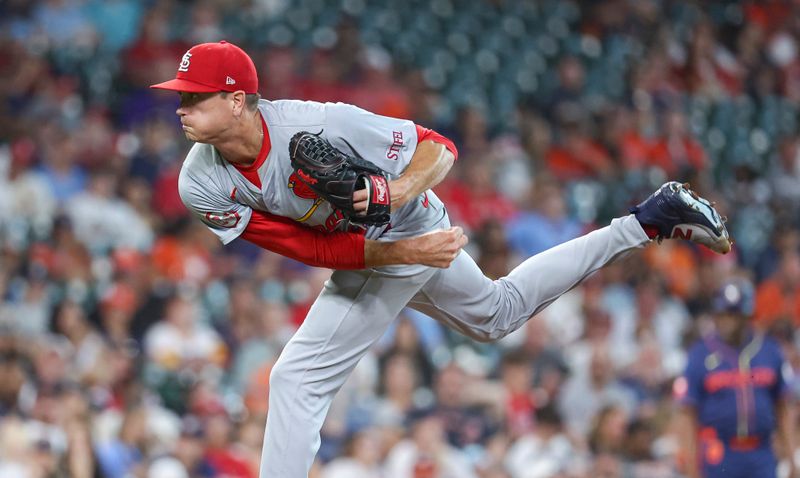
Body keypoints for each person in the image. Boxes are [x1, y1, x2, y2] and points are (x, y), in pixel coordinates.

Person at [150, 41, 732, 478]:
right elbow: (308, 249)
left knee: (296, 379)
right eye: (180, 98)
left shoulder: (319, 123)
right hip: (386, 245)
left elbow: (439, 147)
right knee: (497, 314)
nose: (181, 108)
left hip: (407, 218)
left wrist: (397, 194)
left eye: (193, 97)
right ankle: (646, 221)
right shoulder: (199, 181)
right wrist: (409, 252)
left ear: (235, 99)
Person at [677, 278, 796, 478]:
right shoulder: (700, 353)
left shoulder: (769, 350)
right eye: (722, 314)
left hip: (761, 451)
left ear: (745, 316)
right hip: (719, 452)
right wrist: (691, 468)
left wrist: (791, 458)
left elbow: (784, 408)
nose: (726, 321)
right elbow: (687, 414)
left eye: (732, 315)